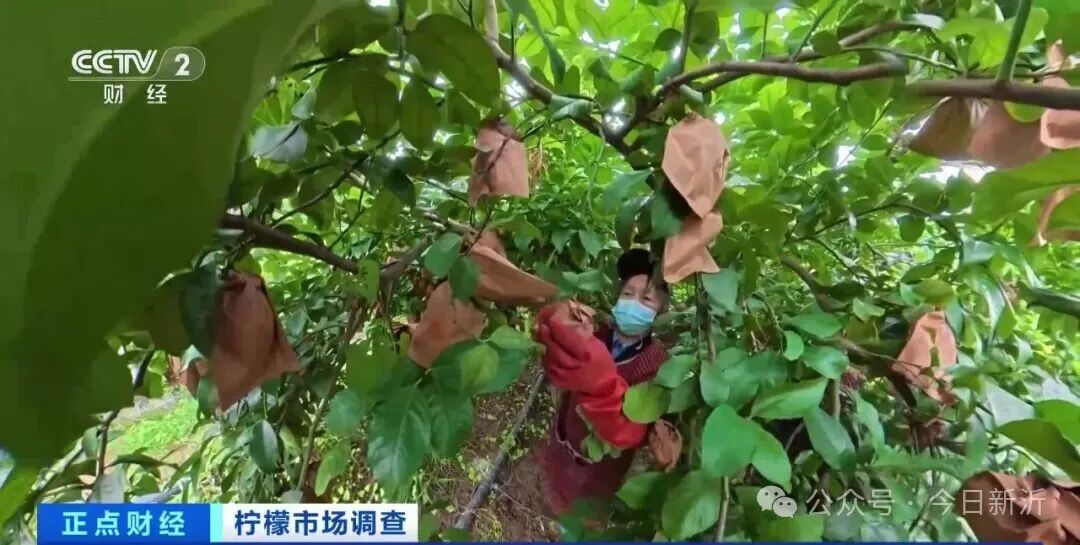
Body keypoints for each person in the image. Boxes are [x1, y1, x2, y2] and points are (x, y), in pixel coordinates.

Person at [535, 248, 671, 516]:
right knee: (553, 490)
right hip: (563, 446)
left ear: (660, 312)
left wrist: (600, 383)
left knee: (580, 518)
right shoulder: (596, 333)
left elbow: (632, 430)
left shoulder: (657, 365)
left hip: (598, 476)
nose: (633, 303)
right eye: (627, 294)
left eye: (646, 299)